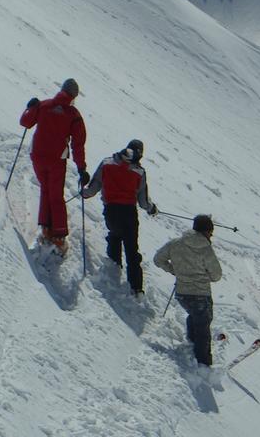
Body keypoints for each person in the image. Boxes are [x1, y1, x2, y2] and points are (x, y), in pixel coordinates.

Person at [19, 79, 88, 253]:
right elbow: (78, 144)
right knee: (56, 194)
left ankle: (45, 228)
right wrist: (81, 168)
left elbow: (25, 122)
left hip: (38, 156)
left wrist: (30, 107)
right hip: (56, 160)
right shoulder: (73, 115)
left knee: (45, 190)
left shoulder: (43, 105)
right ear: (73, 96)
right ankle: (58, 235)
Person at [82, 139, 158, 295]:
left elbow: (94, 186)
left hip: (110, 210)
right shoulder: (139, 172)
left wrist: (83, 192)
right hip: (129, 213)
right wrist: (151, 209)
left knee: (115, 236)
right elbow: (143, 201)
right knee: (131, 249)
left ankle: (114, 268)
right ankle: (136, 288)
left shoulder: (107, 163)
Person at [154, 215, 222, 366]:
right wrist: (204, 277)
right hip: (201, 294)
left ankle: (192, 343)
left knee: (194, 316)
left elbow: (158, 259)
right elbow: (216, 275)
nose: (211, 236)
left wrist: (174, 270)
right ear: (206, 231)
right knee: (203, 327)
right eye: (211, 232)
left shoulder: (175, 243)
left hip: (182, 293)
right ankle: (203, 363)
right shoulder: (205, 249)